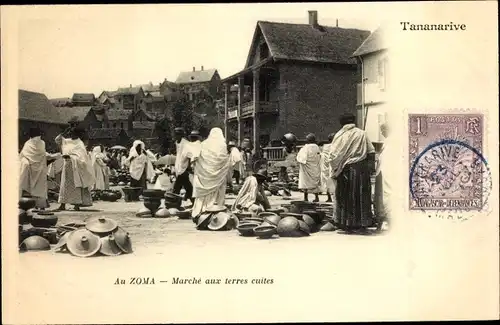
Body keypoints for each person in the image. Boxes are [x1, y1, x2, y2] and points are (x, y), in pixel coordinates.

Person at [327, 113, 376, 232]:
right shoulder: (362, 133)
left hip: (346, 170)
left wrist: (335, 169)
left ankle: (346, 224)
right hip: (361, 169)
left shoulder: (339, 135)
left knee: (346, 197)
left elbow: (334, 156)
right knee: (361, 196)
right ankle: (362, 224)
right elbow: (371, 152)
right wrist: (370, 169)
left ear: (342, 123)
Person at [190, 128, 230, 218]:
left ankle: (201, 211)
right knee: (218, 193)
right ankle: (217, 213)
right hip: (220, 175)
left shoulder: (204, 144)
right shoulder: (223, 145)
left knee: (204, 195)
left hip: (204, 175)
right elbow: (226, 160)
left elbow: (195, 158)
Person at [55, 126, 95, 211]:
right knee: (64, 185)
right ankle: (63, 204)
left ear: (77, 134)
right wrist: (63, 133)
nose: (70, 134)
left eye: (72, 133)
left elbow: (82, 159)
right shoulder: (68, 141)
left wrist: (71, 157)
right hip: (67, 165)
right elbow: (57, 140)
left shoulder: (79, 144)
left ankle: (76, 204)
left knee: (76, 186)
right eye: (70, 133)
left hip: (76, 167)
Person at [19, 127, 58, 209]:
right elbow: (43, 154)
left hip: (31, 169)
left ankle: (34, 205)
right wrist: (53, 156)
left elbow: (22, 155)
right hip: (40, 169)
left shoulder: (28, 144)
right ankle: (41, 206)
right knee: (40, 188)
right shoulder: (41, 143)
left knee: (32, 188)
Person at [374, 123, 392, 230]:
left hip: (387, 173)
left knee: (386, 196)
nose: (381, 132)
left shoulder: (391, 142)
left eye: (383, 130)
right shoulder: (387, 142)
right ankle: (382, 219)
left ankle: (387, 219)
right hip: (381, 171)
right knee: (380, 196)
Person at [296, 133, 321, 202]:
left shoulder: (306, 148)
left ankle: (306, 197)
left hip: (307, 167)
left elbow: (301, 158)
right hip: (315, 167)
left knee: (305, 182)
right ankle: (316, 197)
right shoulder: (316, 147)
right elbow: (319, 156)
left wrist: (301, 160)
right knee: (315, 183)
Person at [172, 127, 195, 205]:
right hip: (179, 166)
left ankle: (173, 202)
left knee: (177, 187)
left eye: (176, 135)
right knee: (187, 186)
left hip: (184, 168)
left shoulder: (186, 143)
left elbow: (189, 156)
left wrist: (188, 168)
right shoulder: (177, 142)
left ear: (180, 135)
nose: (174, 136)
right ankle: (194, 201)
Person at [320, 133, 336, 202]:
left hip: (325, 167)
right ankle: (335, 197)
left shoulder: (324, 147)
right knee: (334, 182)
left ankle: (329, 197)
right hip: (332, 167)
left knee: (326, 182)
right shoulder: (335, 146)